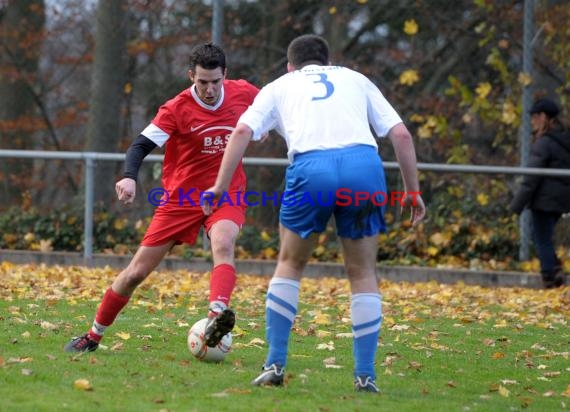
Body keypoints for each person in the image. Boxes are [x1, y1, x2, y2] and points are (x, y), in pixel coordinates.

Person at [202, 34, 426, 393]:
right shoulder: (356, 79)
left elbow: (242, 129)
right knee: (363, 273)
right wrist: (412, 191)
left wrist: (219, 187)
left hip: (312, 169)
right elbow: (400, 135)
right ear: (328, 61)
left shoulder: (281, 84)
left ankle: (275, 364)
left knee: (289, 266)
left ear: (290, 66)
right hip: (364, 167)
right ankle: (365, 375)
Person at [64, 43, 260, 353]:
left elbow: (281, 109)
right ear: (190, 77)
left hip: (226, 192)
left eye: (215, 82)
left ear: (226, 75)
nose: (209, 90)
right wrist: (129, 176)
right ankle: (93, 336)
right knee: (136, 273)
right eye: (202, 82)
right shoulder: (176, 108)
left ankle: (217, 314)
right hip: (180, 198)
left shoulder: (245, 93)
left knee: (223, 243)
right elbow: (140, 146)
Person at [510, 97, 570, 289]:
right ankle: (556, 269)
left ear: (543, 117)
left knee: (541, 238)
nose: (533, 121)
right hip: (561, 199)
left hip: (544, 200)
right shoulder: (564, 139)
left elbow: (531, 179)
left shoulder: (544, 143)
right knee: (544, 236)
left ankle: (549, 277)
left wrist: (516, 205)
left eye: (535, 117)